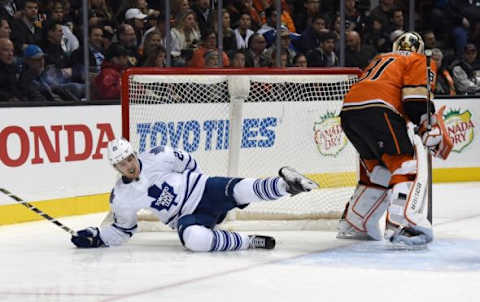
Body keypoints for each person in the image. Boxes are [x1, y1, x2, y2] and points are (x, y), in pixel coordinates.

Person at [71, 138, 318, 251]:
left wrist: (201, 183)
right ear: (115, 168)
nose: (129, 165)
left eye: (129, 158)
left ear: (134, 153)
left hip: (203, 189)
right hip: (186, 218)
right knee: (193, 241)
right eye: (122, 164)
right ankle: (247, 241)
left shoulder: (158, 155)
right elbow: (123, 230)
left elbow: (189, 162)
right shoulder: (121, 197)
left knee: (238, 190)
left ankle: (287, 186)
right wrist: (98, 237)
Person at [337, 32, 453, 247]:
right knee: (405, 165)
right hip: (380, 110)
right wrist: (426, 126)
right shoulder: (419, 60)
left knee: (379, 171)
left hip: (348, 113)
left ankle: (355, 223)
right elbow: (415, 99)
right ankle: (402, 226)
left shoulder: (380, 58)